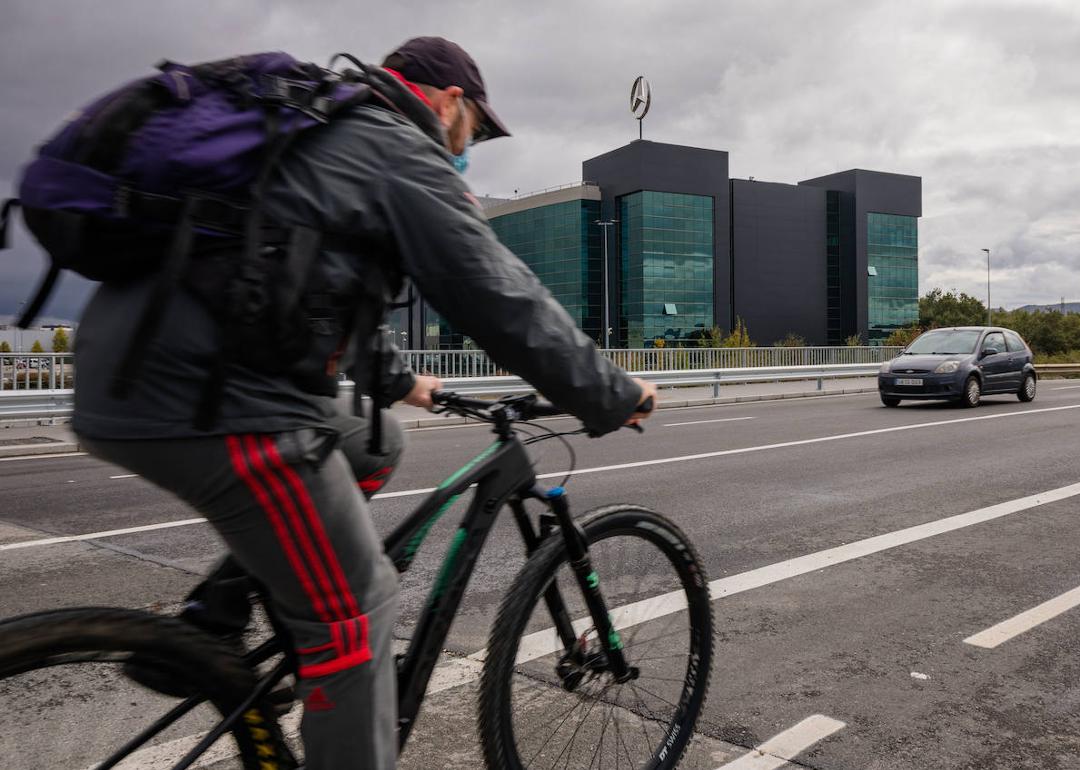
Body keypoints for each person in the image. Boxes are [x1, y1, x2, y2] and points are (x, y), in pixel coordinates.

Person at [71, 36, 657, 770]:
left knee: (374, 439)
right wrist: (611, 391)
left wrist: (403, 382)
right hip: (214, 397)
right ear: (450, 103)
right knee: (354, 611)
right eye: (476, 126)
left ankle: (214, 619)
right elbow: (494, 292)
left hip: (131, 366)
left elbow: (304, 275)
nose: (470, 143)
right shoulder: (397, 147)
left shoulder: (322, 122)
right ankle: (312, 645)